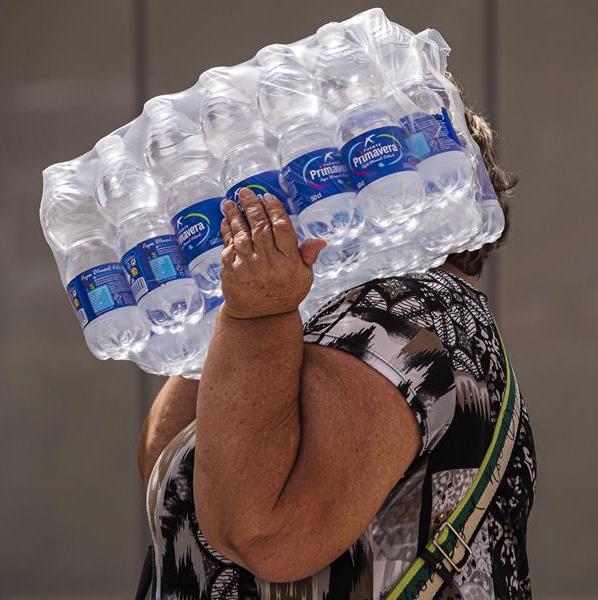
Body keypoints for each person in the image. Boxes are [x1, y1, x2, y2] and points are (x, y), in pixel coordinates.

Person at [137, 90, 536, 599]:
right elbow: (173, 484)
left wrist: (257, 314)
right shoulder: (319, 311)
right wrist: (230, 307)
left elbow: (261, 531)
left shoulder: (418, 309)